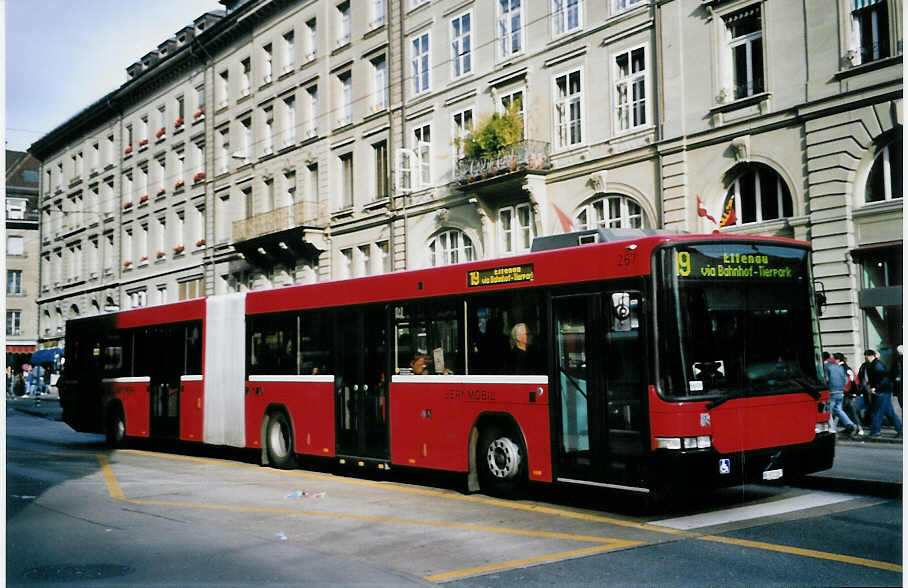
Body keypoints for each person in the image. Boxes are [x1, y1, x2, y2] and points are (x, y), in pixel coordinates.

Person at [863, 348, 902, 438]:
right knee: (889, 412)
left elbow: (884, 379)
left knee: (877, 411)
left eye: (866, 357)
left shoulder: (877, 365)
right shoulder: (875, 364)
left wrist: (875, 388)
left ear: (870, 356)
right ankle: (900, 429)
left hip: (881, 392)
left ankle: (875, 431)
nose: (866, 359)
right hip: (885, 391)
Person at [824, 351, 856, 436]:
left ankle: (831, 428)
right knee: (838, 409)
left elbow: (826, 379)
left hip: (831, 391)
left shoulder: (826, 367)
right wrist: (842, 388)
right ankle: (850, 424)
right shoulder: (839, 367)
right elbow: (846, 379)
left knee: (828, 411)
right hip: (840, 391)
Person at [835, 352, 863, 436]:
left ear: (838, 360)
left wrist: (843, 390)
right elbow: (854, 380)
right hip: (852, 393)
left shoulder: (840, 368)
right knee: (848, 411)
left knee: (844, 411)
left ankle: (857, 428)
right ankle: (854, 427)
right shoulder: (847, 368)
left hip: (847, 393)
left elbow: (846, 381)